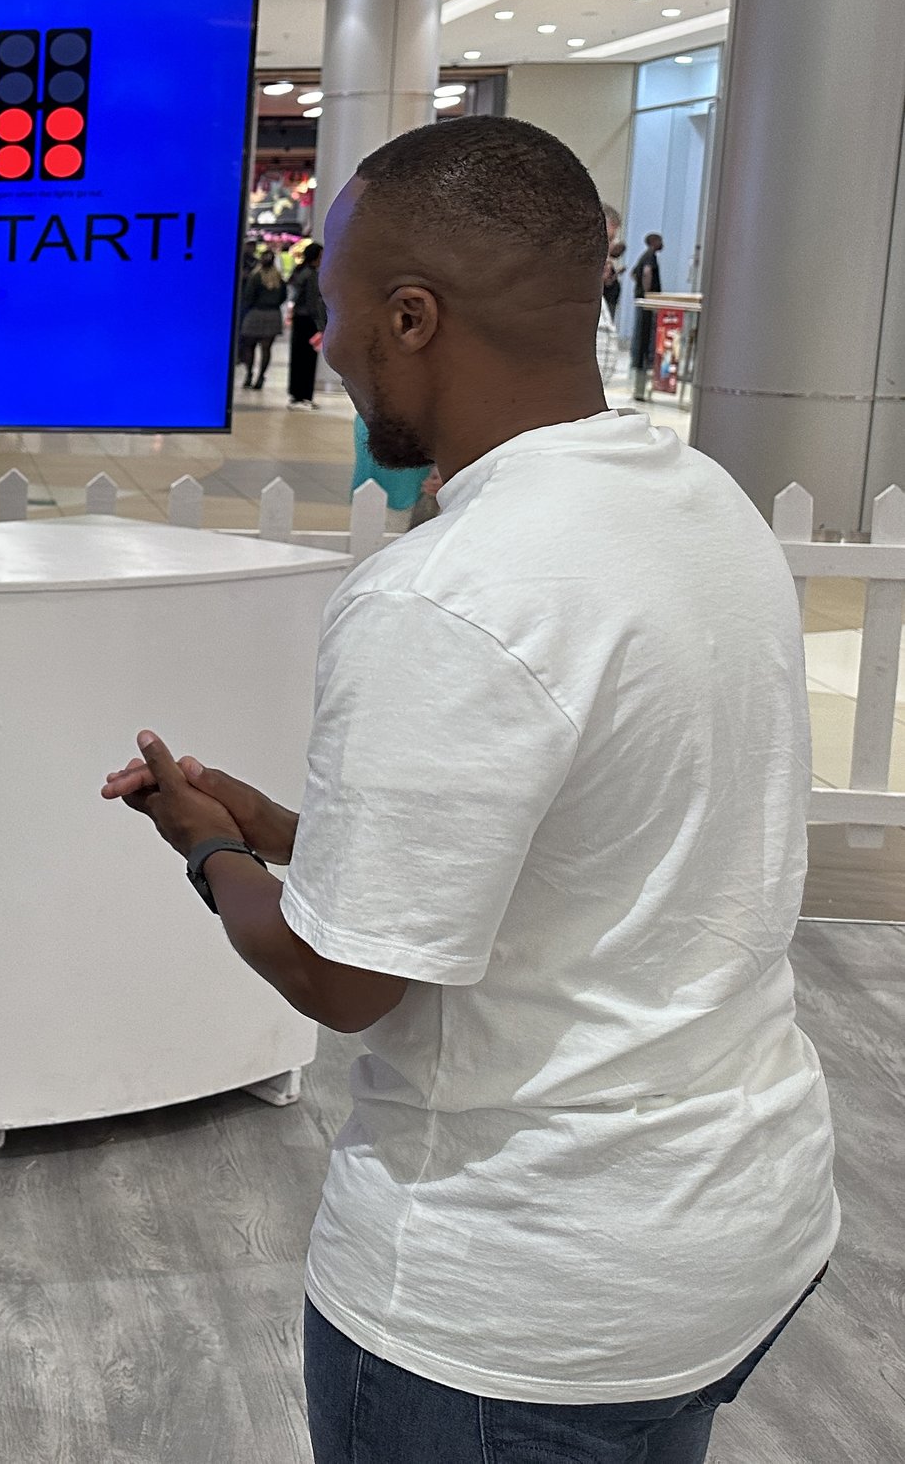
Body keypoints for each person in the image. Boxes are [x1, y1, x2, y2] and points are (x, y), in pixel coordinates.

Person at [102, 115, 836, 1464]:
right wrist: (284, 828)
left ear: (411, 317)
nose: (320, 347)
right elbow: (581, 863)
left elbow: (342, 979)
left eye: (332, 312)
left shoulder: (448, 592)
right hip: (741, 1221)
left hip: (517, 1303)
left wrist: (208, 851)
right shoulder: (706, 508)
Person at [284, 241, 325, 407]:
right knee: (308, 359)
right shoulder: (312, 275)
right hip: (309, 321)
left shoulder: (300, 272)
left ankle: (296, 394)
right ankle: (304, 395)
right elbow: (313, 302)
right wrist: (321, 324)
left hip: (300, 320)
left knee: (298, 357)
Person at [238, 253, 287, 390]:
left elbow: (248, 296)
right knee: (266, 348)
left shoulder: (255, 277)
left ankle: (249, 373)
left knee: (249, 345)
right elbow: (283, 296)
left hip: (255, 313)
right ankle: (261, 376)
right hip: (273, 315)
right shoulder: (279, 278)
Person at [630, 229, 665, 390]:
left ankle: (639, 362)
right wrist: (648, 294)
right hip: (647, 301)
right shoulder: (650, 256)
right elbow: (646, 273)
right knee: (645, 334)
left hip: (642, 299)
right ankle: (642, 363)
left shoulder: (644, 256)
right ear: (653, 242)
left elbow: (633, 273)